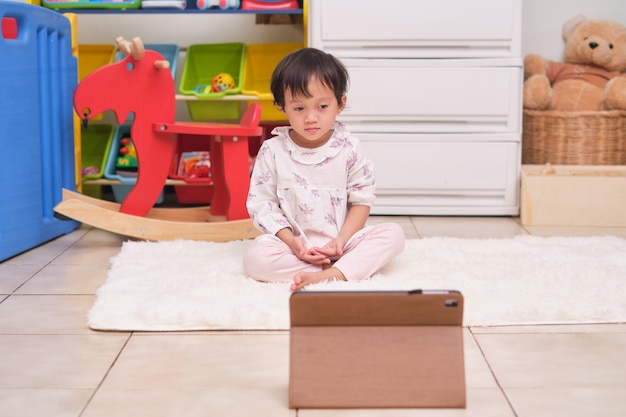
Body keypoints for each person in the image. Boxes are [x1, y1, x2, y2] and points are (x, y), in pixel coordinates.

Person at [243, 47, 405, 291]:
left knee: (394, 235)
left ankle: (335, 272)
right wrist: (294, 243)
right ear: (281, 106)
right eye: (299, 108)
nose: (311, 118)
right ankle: (335, 270)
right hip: (293, 247)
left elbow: (362, 200)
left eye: (322, 107)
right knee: (255, 259)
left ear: (340, 104)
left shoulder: (348, 148)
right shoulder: (272, 150)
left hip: (343, 243)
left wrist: (340, 240)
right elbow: (262, 204)